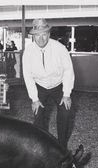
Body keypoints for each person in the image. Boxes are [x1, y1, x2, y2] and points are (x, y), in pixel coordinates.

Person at [22, 19, 75, 149]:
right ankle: (42, 146)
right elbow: (27, 76)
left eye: (44, 34)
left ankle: (62, 145)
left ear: (49, 34)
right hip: (40, 85)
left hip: (58, 85)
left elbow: (69, 71)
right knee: (38, 112)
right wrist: (34, 99)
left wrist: (66, 94)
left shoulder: (60, 48)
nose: (41, 38)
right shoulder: (28, 52)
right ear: (33, 36)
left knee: (66, 111)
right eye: (37, 35)